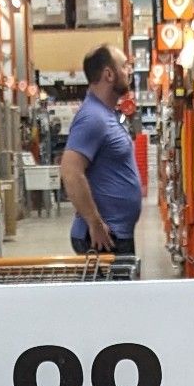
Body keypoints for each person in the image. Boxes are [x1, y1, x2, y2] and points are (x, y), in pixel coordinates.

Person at [59, 43, 143, 258]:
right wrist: (94, 223)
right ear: (109, 74)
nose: (129, 71)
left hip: (115, 236)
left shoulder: (106, 114)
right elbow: (70, 171)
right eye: (124, 66)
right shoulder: (93, 118)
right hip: (102, 239)